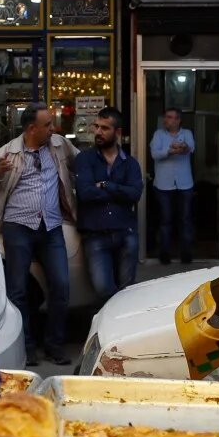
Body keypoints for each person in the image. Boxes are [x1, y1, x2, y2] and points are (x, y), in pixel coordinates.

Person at [0, 103, 77, 365]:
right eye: (47, 125)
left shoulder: (58, 145)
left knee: (62, 287)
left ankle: (54, 344)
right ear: (32, 128)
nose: (52, 128)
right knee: (18, 290)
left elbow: (83, 163)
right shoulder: (9, 151)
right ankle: (26, 345)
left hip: (51, 226)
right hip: (17, 227)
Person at [73, 106, 143, 299]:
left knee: (127, 290)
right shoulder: (84, 159)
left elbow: (135, 194)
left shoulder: (130, 163)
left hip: (125, 233)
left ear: (117, 132)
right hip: (96, 235)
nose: (98, 132)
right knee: (103, 288)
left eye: (104, 128)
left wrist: (105, 185)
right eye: (96, 126)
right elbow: (85, 193)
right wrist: (120, 191)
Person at [149, 108, 196, 265]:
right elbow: (155, 154)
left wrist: (182, 149)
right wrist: (170, 150)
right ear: (164, 120)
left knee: (186, 220)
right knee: (165, 220)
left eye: (175, 118)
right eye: (168, 117)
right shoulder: (158, 135)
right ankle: (164, 254)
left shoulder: (187, 133)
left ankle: (186, 254)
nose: (171, 120)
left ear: (179, 120)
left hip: (185, 184)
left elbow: (191, 148)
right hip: (163, 185)